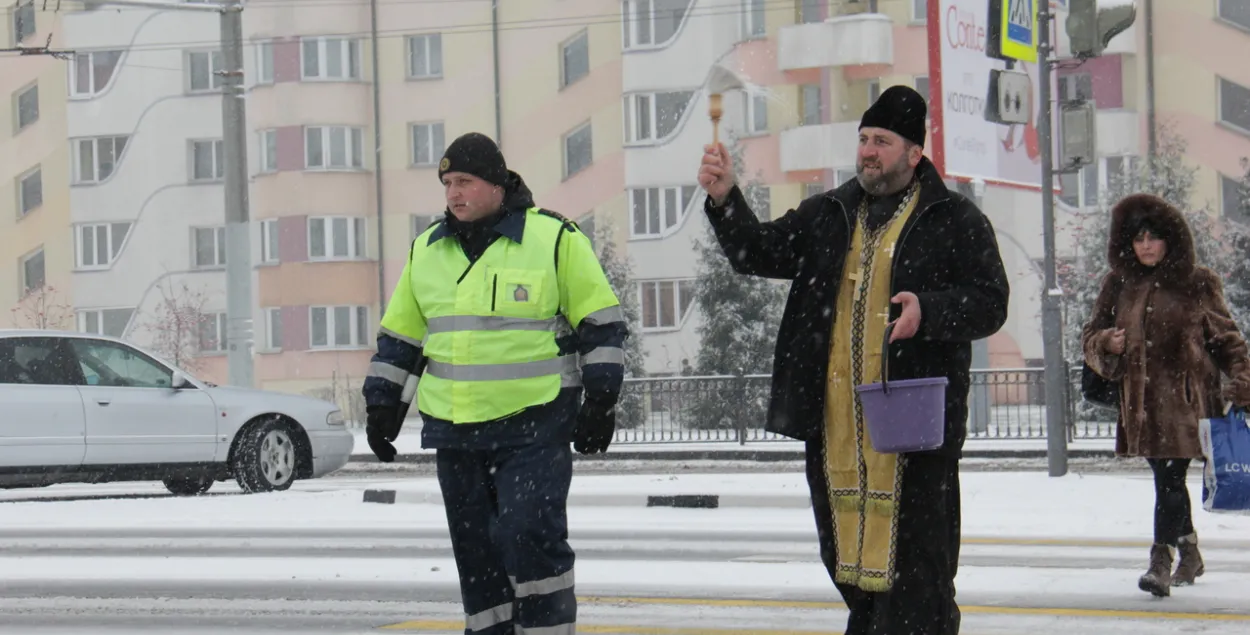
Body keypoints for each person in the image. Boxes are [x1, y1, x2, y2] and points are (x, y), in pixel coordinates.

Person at [696, 85, 1009, 635]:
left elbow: (991, 301)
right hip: (837, 425)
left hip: (915, 428)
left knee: (919, 575)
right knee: (849, 562)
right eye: (863, 139)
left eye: (882, 141)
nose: (867, 151)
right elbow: (758, 251)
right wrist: (726, 200)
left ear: (915, 153)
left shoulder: (953, 218)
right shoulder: (829, 213)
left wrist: (930, 311)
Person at [362, 132, 628, 635]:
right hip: (455, 432)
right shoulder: (427, 251)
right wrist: (382, 407)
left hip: (534, 425)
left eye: (464, 181)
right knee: (476, 553)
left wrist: (601, 400)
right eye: (446, 184)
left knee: (529, 536)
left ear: (496, 184)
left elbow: (602, 324)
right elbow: (401, 339)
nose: (453, 193)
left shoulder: (553, 240)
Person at [1081, 193, 1250, 597]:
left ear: (1169, 240)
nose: (1145, 246)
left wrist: (1242, 381)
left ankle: (1160, 562)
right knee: (1166, 480)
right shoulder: (1117, 284)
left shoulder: (1197, 282)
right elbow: (1088, 337)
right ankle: (1189, 550)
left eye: (1153, 237)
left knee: (1170, 478)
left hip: (1186, 403)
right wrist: (1107, 341)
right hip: (1141, 406)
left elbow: (1227, 338)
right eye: (1138, 238)